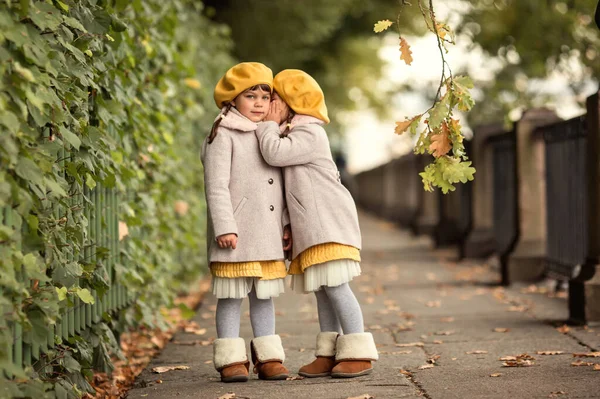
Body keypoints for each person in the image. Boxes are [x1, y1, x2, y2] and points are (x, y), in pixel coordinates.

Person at [255, 69, 378, 378]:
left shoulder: (309, 133)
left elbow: (274, 154)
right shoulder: (293, 133)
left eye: (273, 98)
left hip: (328, 224)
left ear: (289, 102)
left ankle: (359, 351)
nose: (267, 105)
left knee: (336, 287)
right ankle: (328, 352)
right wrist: (286, 224)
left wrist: (268, 125)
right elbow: (286, 186)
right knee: (323, 290)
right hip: (312, 227)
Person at [201, 62, 292, 383]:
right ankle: (231, 360)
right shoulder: (222, 134)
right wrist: (224, 225)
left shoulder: (270, 133)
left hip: (266, 233)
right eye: (249, 96)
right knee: (231, 296)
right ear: (232, 100)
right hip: (236, 233)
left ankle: (268, 358)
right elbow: (216, 185)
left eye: (264, 97)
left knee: (263, 296)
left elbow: (278, 185)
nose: (258, 103)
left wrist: (284, 224)